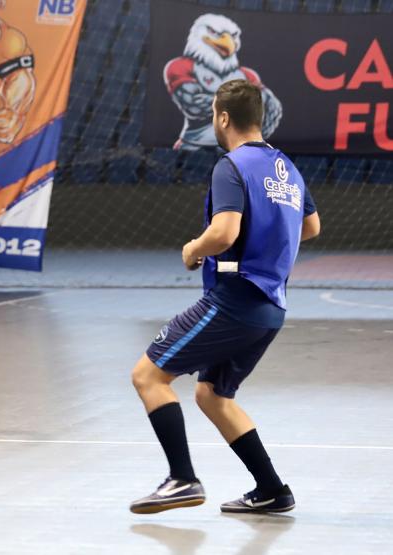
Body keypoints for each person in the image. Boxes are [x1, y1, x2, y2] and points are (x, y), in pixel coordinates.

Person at [128, 80, 321, 515]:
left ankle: (182, 479)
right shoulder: (286, 167)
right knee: (212, 395)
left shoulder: (231, 165)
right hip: (272, 307)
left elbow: (224, 233)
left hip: (235, 300)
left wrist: (194, 248)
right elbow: (310, 227)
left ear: (223, 118)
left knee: (148, 376)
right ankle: (272, 489)